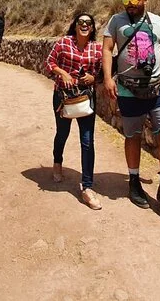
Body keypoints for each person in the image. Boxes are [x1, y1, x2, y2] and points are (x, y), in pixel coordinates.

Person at [102, 0, 160, 221]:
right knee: (133, 136)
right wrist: (107, 78)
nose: (130, 3)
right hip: (128, 89)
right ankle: (134, 181)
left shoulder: (158, 21)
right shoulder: (116, 21)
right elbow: (107, 49)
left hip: (158, 85)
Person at [45, 13, 103, 210]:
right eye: (81, 22)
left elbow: (103, 72)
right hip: (63, 97)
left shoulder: (97, 48)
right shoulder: (64, 43)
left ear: (92, 28)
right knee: (62, 133)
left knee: (87, 140)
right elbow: (49, 62)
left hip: (85, 98)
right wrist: (63, 73)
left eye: (88, 23)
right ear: (75, 25)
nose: (84, 25)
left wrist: (93, 78)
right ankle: (57, 162)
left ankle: (87, 187)